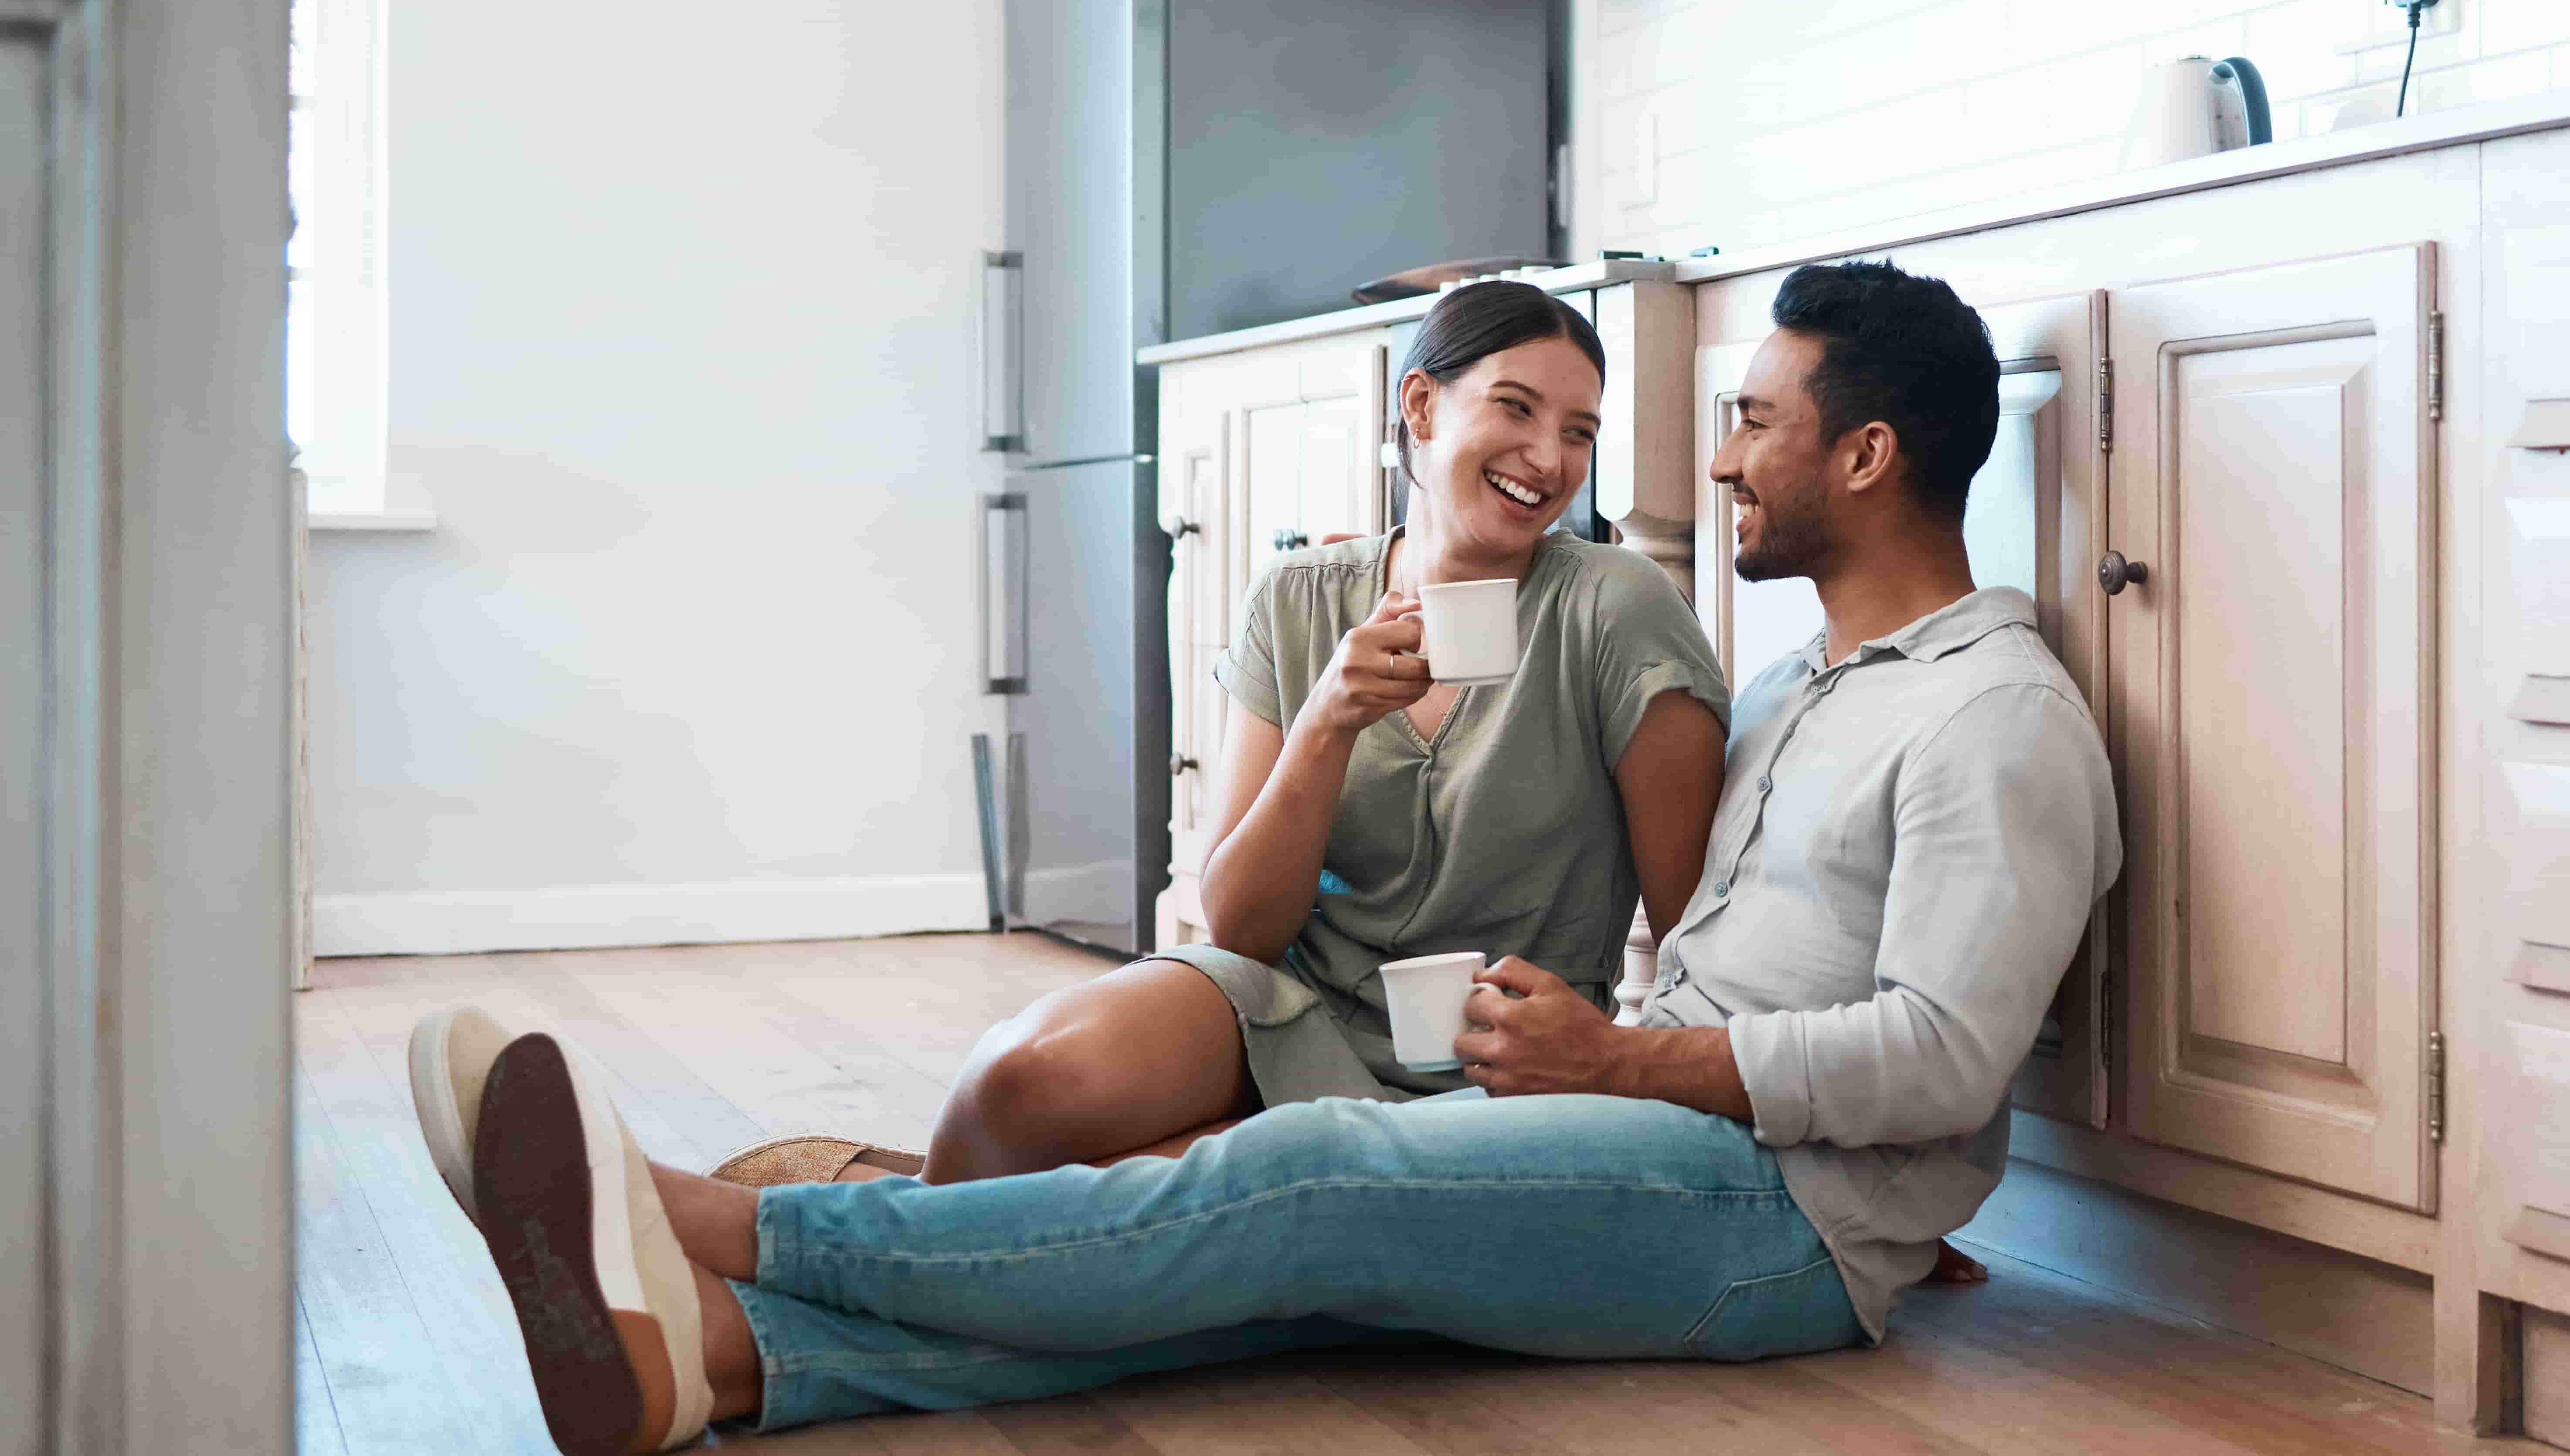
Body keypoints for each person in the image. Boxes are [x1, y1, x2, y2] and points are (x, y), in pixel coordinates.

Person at [413, 261, 2123, 1454]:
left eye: (1752, 419)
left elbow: (1946, 1060)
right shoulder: (1812, 682)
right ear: (1422, 410)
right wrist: (1617, 1062)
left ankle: (714, 1221)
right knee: (1267, 1283)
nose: (1721, 452)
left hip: (1776, 1219)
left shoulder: (1995, 714)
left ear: (1867, 456)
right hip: (1669, 1132)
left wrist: (1683, 1087)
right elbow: (1730, 970)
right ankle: (719, 1360)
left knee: (1299, 1185)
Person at [659, 278, 1732, 1190]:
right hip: (1289, 1003)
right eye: (1516, 410)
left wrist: (1645, 1087)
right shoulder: (1300, 600)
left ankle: (832, 1227)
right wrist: (1325, 722)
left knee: (1164, 1191)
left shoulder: (1615, 607)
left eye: (1579, 433)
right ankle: (891, 1229)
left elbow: (1695, 930)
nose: (1548, 459)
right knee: (1021, 1078)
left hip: (1505, 1057)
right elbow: (1240, 928)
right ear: (1419, 405)